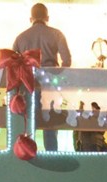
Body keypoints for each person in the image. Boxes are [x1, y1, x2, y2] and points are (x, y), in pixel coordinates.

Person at [12, 3, 71, 152]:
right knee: (50, 121)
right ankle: (51, 154)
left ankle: (26, 151)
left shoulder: (20, 37)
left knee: (29, 120)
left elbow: (13, 64)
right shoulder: (57, 34)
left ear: (30, 19)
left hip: (28, 83)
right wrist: (57, 75)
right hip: (50, 83)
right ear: (47, 18)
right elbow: (67, 61)